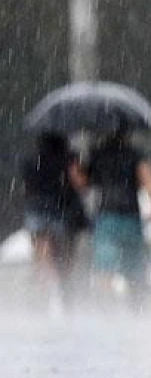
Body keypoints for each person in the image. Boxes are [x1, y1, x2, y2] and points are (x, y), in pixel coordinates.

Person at [84, 128, 151, 306]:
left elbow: (84, 182)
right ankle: (136, 307)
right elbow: (146, 176)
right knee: (134, 267)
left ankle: (106, 307)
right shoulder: (135, 154)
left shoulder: (97, 154)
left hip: (107, 216)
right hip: (131, 215)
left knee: (105, 267)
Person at [20, 132, 88, 311]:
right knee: (64, 261)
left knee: (42, 259)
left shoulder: (31, 161)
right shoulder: (68, 159)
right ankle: (66, 299)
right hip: (61, 212)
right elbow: (80, 184)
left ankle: (39, 300)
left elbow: (26, 187)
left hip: (35, 212)